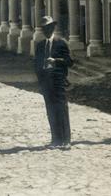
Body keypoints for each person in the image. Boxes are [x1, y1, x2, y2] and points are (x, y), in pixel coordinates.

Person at [34, 16, 74, 149]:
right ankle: (55, 139)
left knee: (61, 110)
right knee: (51, 111)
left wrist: (55, 61)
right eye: (44, 29)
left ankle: (66, 140)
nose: (46, 31)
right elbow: (36, 65)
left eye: (49, 28)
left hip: (58, 81)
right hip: (46, 83)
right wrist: (40, 82)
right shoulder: (40, 45)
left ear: (53, 28)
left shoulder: (61, 43)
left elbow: (70, 62)